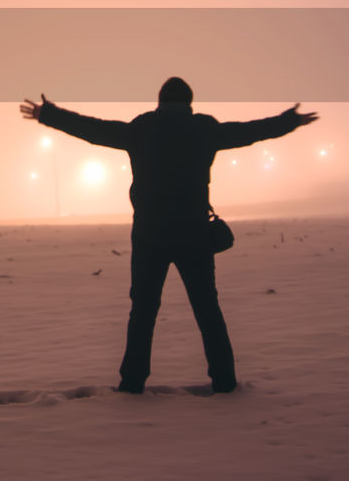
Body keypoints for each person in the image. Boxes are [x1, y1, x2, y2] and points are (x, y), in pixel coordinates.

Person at [19, 77, 318, 395]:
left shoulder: (142, 129)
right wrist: (289, 121)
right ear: (189, 103)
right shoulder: (204, 130)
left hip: (150, 235)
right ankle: (224, 380)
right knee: (207, 309)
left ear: (159, 102)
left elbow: (94, 130)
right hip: (194, 234)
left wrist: (49, 115)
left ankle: (132, 383)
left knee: (143, 311)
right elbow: (250, 131)